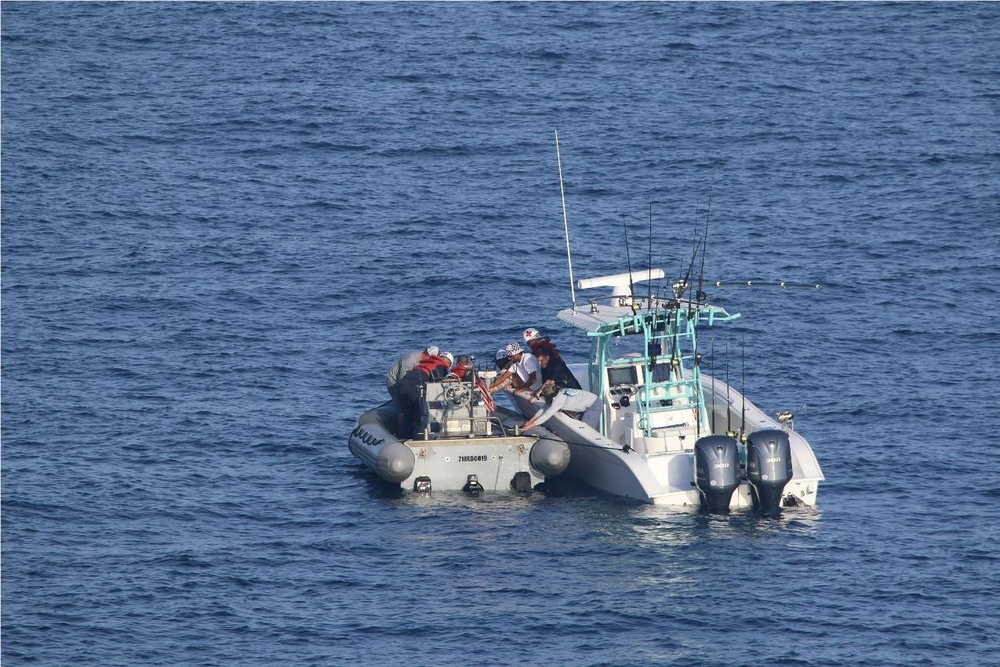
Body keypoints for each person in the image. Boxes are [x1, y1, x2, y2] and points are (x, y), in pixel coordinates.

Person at [395, 350, 453, 438]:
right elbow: (438, 385)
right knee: (419, 412)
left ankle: (404, 437)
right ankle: (419, 436)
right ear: (449, 363)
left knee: (407, 414)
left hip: (403, 384)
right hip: (412, 387)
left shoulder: (428, 362)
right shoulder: (441, 367)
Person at [522, 382, 602, 431]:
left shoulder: (558, 401)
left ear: (551, 397)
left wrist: (530, 426)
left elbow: (547, 415)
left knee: (586, 429)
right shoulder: (559, 392)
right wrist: (531, 420)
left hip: (593, 404)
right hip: (587, 403)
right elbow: (545, 407)